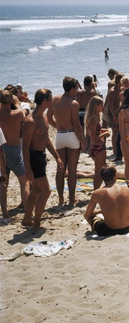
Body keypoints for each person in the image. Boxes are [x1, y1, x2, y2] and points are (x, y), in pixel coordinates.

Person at [21, 89, 64, 230]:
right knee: (46, 191)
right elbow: (25, 146)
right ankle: (37, 223)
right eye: (50, 99)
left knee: (37, 191)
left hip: (41, 156)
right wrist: (27, 168)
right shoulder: (30, 121)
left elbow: (46, 140)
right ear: (44, 100)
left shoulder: (44, 117)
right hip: (33, 157)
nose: (52, 101)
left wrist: (57, 156)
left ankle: (27, 219)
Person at [47, 77, 85, 206]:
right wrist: (83, 140)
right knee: (72, 170)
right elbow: (76, 125)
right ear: (73, 88)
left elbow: (49, 118)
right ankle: (72, 199)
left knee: (60, 169)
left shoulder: (55, 100)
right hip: (71, 135)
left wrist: (57, 126)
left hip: (60, 135)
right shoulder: (73, 103)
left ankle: (61, 199)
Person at [84, 165, 129, 237]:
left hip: (109, 230)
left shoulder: (97, 193)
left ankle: (94, 229)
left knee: (91, 217)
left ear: (102, 177)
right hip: (128, 228)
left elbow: (87, 214)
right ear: (115, 175)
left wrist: (99, 211)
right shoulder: (127, 190)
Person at [0, 89, 30, 212]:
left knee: (3, 184)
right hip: (15, 149)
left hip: (3, 149)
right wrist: (16, 103)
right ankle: (28, 211)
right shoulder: (17, 114)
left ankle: (4, 212)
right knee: (24, 182)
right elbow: (23, 114)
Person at [85, 95, 110, 190]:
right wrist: (104, 134)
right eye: (101, 105)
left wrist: (103, 131)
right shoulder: (94, 119)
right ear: (96, 105)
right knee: (99, 173)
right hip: (98, 147)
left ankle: (102, 189)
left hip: (95, 147)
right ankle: (96, 192)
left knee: (103, 170)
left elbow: (95, 131)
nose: (102, 107)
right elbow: (94, 138)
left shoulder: (92, 117)